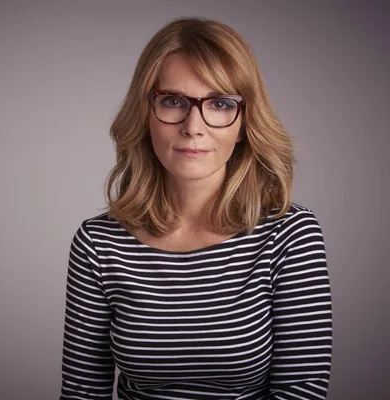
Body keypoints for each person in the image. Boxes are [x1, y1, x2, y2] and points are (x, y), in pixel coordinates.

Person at [59, 17, 332, 400]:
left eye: (220, 104)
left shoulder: (290, 236)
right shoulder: (98, 243)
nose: (193, 126)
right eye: (173, 101)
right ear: (145, 113)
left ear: (244, 122)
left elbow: (301, 391)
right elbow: (82, 392)